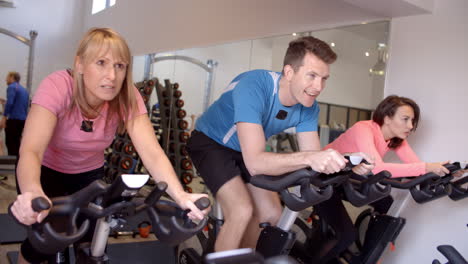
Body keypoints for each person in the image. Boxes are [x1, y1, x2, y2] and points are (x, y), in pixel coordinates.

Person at [9, 28, 209, 264]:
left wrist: (180, 195)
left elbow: (152, 152)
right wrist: (32, 191)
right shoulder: (57, 87)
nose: (112, 76)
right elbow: (31, 150)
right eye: (101, 63)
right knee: (42, 246)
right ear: (80, 64)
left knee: (91, 242)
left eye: (120, 66)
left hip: (89, 177)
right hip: (45, 173)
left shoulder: (127, 96)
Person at [187, 36, 374, 252]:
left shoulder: (309, 107)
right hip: (211, 143)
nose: (318, 86)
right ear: (289, 72)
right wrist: (310, 158)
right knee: (241, 210)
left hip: (244, 151)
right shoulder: (255, 85)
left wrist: (350, 164)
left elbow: (313, 158)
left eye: (324, 78)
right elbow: (257, 162)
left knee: (271, 213)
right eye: (312, 76)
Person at [310, 95, 453, 263]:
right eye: (405, 119)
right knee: (346, 235)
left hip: (345, 179)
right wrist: (428, 167)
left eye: (412, 121)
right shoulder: (363, 128)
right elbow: (379, 168)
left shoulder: (396, 140)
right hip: (323, 181)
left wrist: (446, 172)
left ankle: (368, 258)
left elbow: (417, 166)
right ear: (387, 118)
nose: (410, 126)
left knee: (387, 205)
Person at [1, 71, 29, 157]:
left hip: (13, 120)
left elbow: (10, 103)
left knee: (10, 143)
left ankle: (11, 165)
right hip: (22, 120)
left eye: (7, 77)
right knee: (17, 143)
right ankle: (17, 165)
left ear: (12, 77)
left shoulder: (11, 87)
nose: (6, 79)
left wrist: (4, 117)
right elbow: (22, 105)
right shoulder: (23, 90)